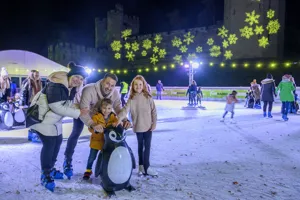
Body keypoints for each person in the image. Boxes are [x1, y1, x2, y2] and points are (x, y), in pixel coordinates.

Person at [29, 64, 89, 192]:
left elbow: (66, 105)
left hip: (54, 120)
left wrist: (78, 108)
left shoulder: (70, 87)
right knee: (49, 145)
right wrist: (78, 113)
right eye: (77, 77)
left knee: (58, 142)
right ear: (70, 75)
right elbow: (56, 106)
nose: (78, 80)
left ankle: (50, 168)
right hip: (43, 118)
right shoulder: (56, 84)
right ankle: (45, 174)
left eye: (81, 79)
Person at [63, 73, 131, 179]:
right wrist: (92, 124)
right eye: (107, 83)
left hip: (100, 114)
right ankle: (67, 161)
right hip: (81, 111)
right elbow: (84, 110)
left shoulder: (115, 93)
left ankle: (105, 166)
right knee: (76, 132)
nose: (109, 87)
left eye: (112, 85)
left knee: (105, 136)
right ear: (102, 81)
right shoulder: (89, 89)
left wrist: (125, 119)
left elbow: (118, 108)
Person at [115, 75, 158, 176]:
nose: (138, 86)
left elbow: (154, 111)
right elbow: (124, 110)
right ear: (133, 86)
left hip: (148, 126)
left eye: (140, 84)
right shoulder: (131, 99)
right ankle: (141, 167)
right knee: (140, 147)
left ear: (143, 85)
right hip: (138, 126)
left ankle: (147, 167)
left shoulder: (148, 97)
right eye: (136, 85)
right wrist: (118, 119)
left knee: (147, 147)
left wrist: (154, 123)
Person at [83, 98, 118, 180]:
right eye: (104, 108)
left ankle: (105, 170)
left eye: (109, 108)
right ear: (101, 108)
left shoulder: (113, 117)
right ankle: (88, 170)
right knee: (92, 157)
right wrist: (95, 129)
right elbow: (90, 128)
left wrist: (117, 125)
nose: (106, 110)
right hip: (96, 141)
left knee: (106, 157)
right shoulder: (96, 117)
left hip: (107, 142)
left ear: (111, 108)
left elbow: (117, 125)